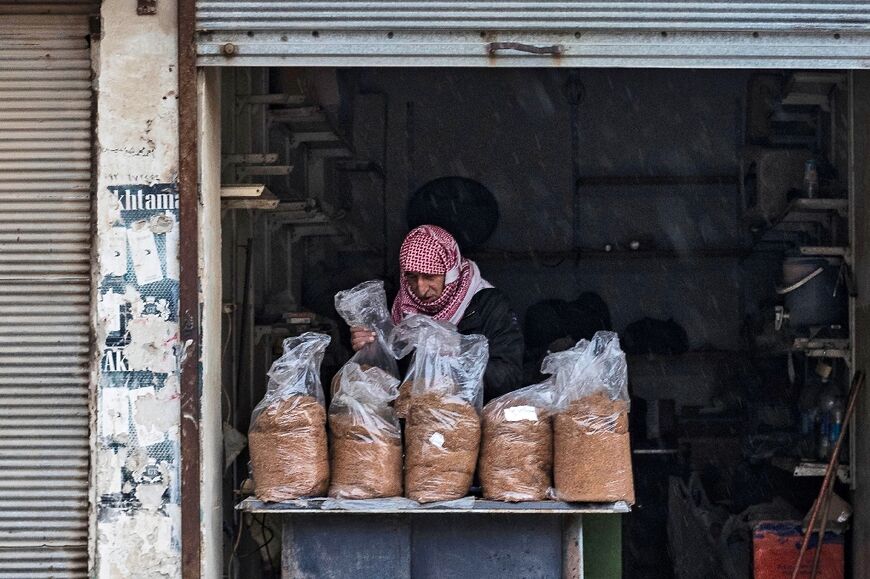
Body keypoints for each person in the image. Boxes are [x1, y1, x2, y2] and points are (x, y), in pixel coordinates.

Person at [350, 225, 524, 401]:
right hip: (414, 414)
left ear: (450, 272)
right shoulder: (398, 306)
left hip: (469, 415)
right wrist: (374, 352)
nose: (421, 289)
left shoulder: (489, 305)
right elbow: (392, 381)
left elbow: (509, 378)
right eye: (412, 277)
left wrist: (460, 353)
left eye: (430, 277)